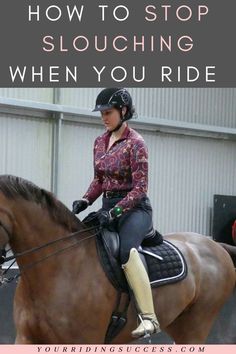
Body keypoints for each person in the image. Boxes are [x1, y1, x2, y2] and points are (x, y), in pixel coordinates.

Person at [73, 88, 160, 338]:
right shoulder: (99, 142)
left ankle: (149, 318)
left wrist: (114, 213)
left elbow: (140, 188)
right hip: (107, 208)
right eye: (101, 113)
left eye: (108, 112)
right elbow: (99, 180)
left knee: (126, 250)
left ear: (123, 111)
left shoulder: (136, 144)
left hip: (135, 209)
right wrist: (85, 199)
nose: (103, 117)